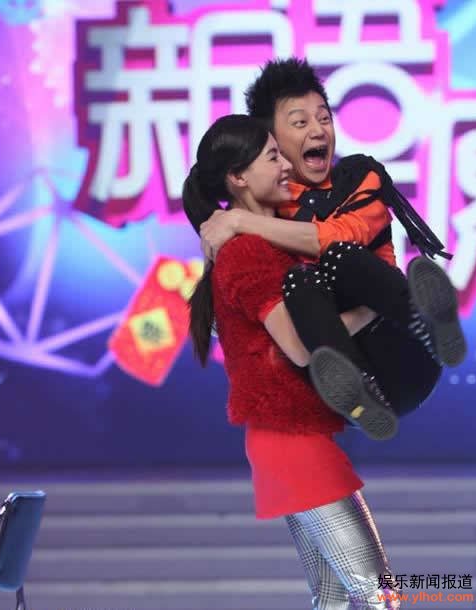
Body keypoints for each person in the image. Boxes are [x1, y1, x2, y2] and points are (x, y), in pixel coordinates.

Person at [183, 113, 400, 610]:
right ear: (238, 177)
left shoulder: (260, 243)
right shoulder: (246, 253)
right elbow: (302, 346)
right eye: (272, 157)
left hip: (289, 436)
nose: (286, 166)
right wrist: (380, 305)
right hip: (292, 442)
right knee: (379, 596)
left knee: (333, 599)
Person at [198, 58, 466, 438]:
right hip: (348, 373)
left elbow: (339, 236)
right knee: (300, 282)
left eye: (324, 118)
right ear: (270, 140)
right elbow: (223, 320)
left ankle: (431, 323)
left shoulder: (360, 178)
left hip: (405, 344)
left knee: (339, 257)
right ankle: (361, 397)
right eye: (300, 122)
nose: (318, 130)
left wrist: (241, 221)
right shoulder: (260, 209)